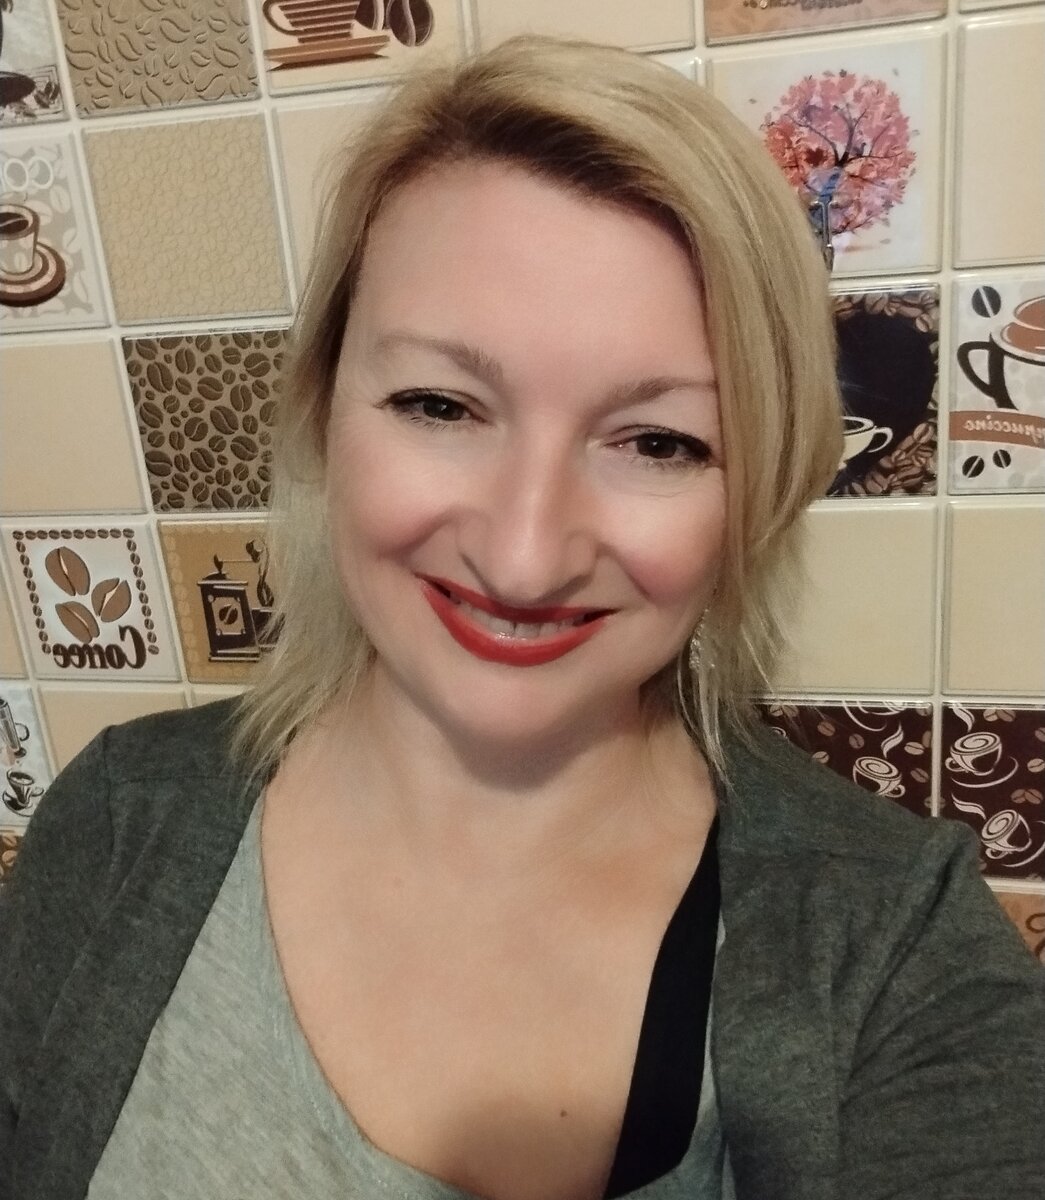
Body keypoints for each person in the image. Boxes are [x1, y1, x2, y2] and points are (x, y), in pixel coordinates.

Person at [1, 35, 1043, 1200]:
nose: (523, 554)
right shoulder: (115, 822)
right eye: (440, 405)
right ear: (325, 409)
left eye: (659, 442)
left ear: (753, 488)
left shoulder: (897, 961)